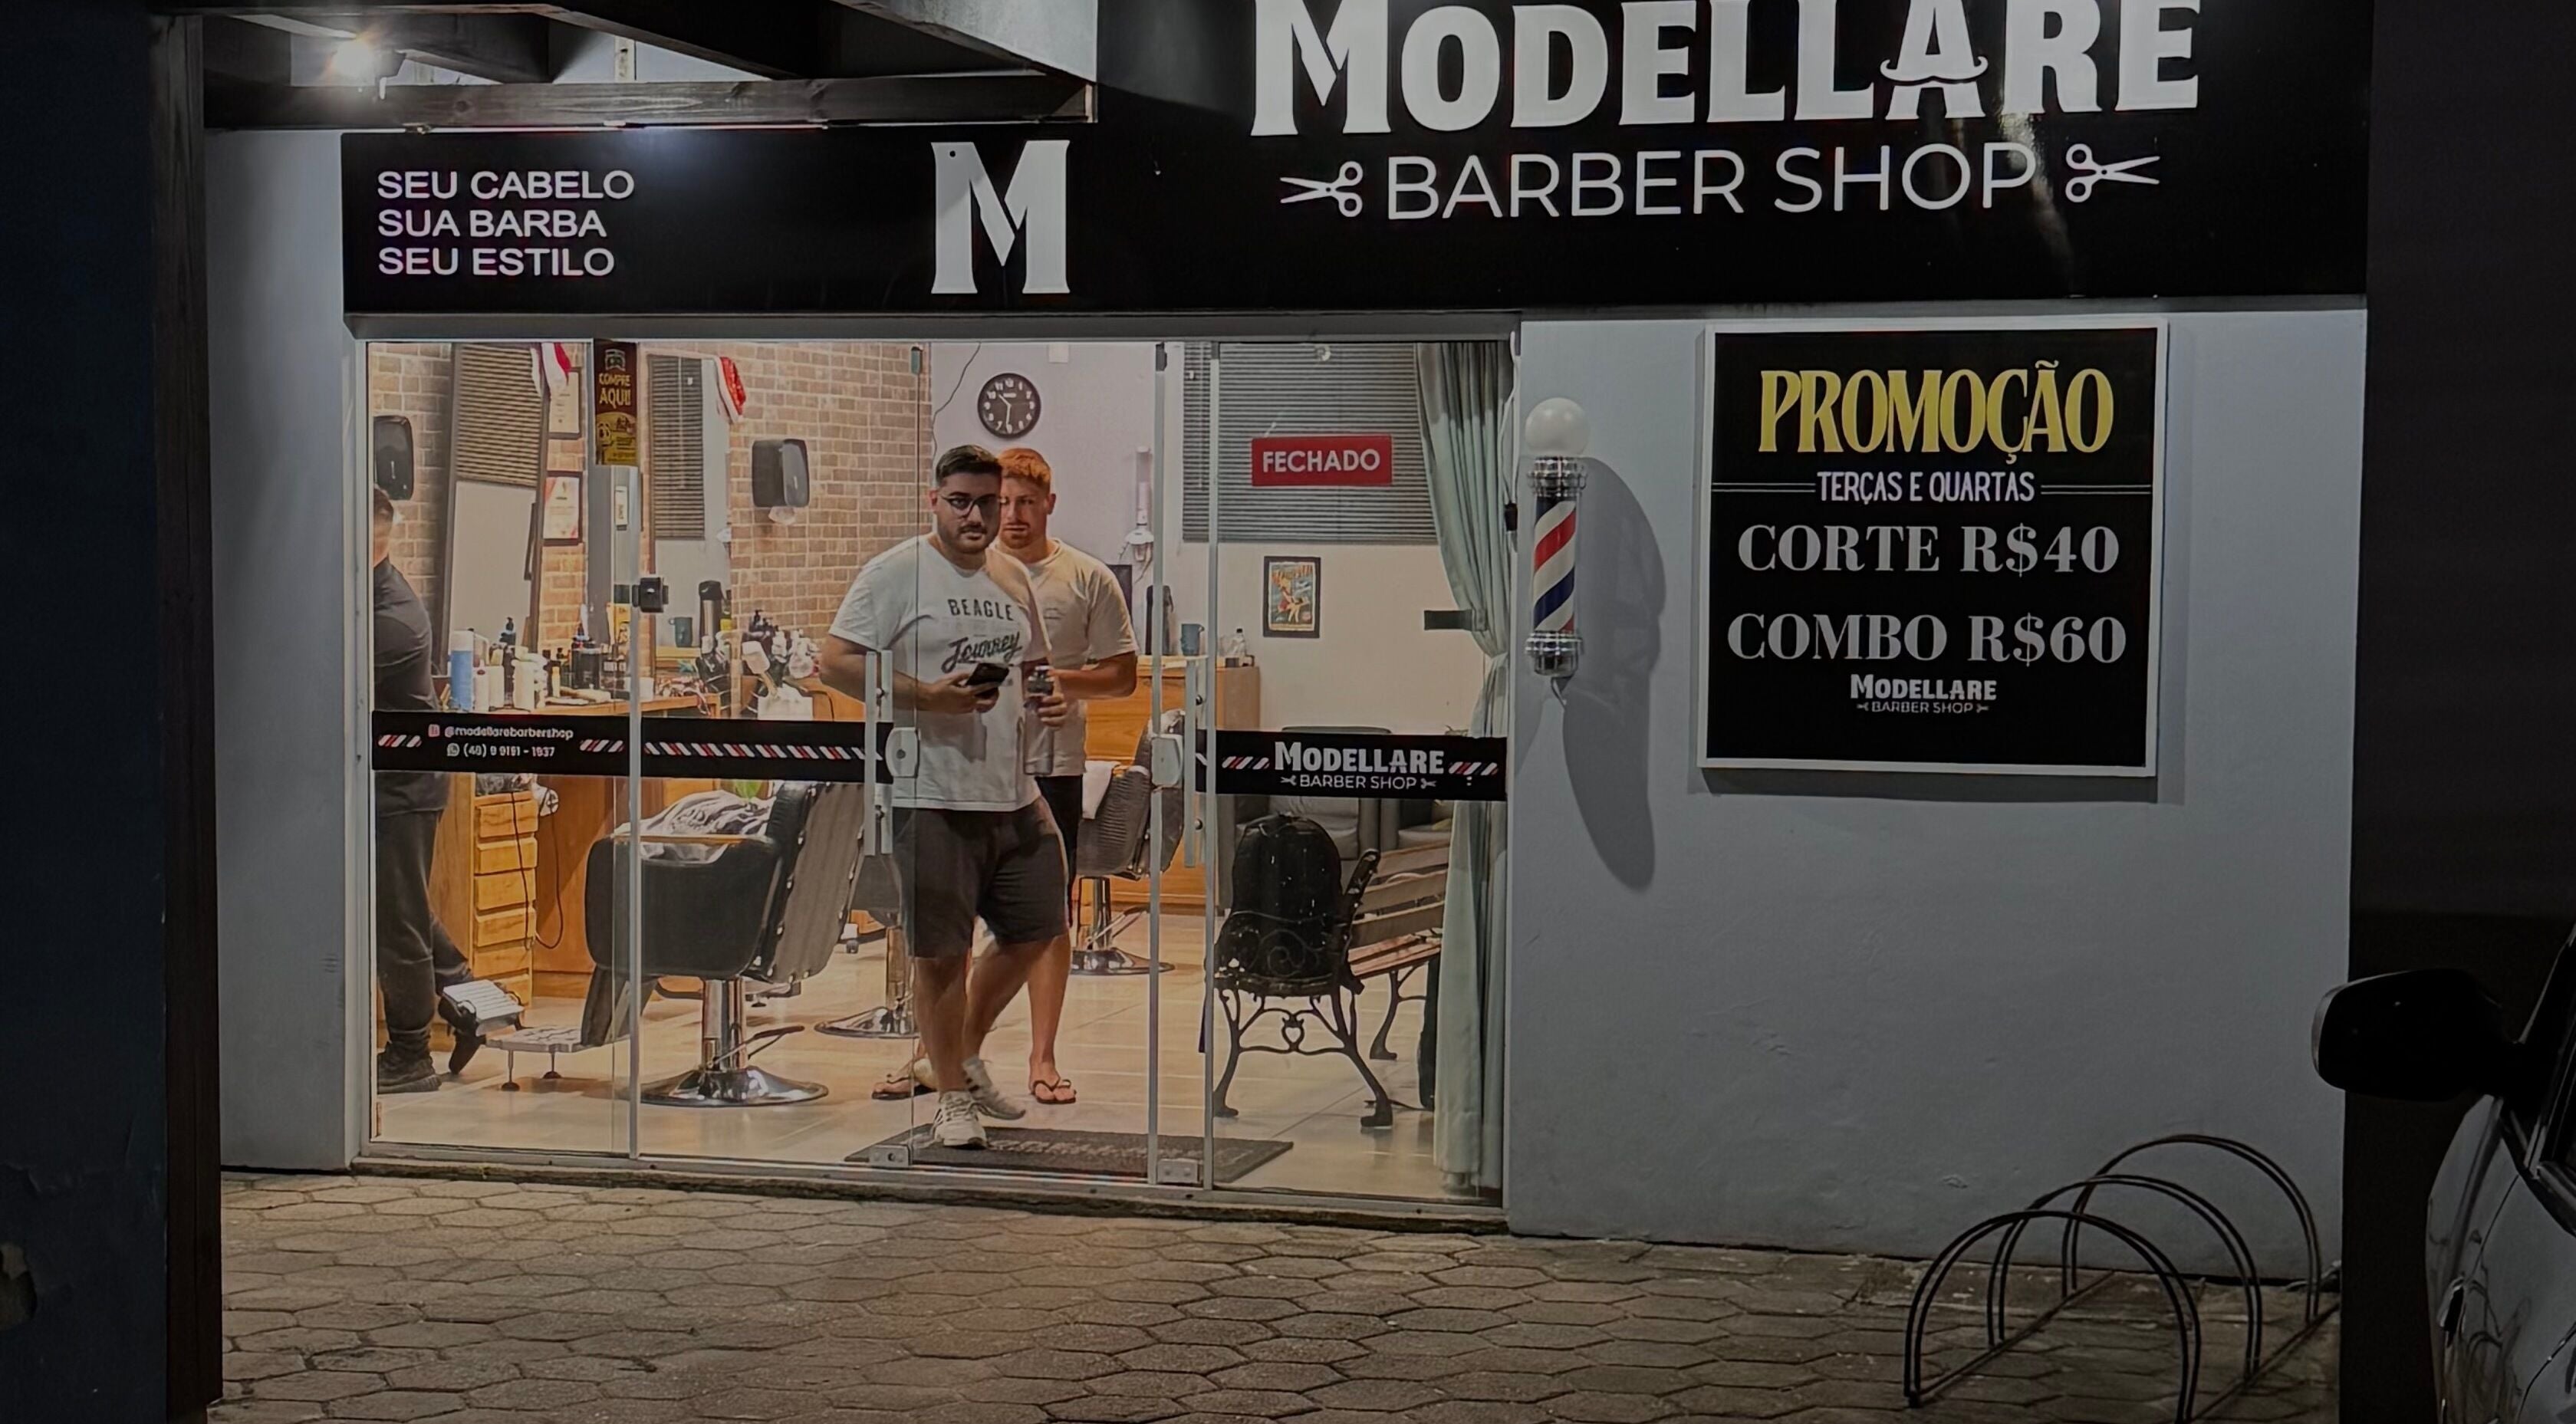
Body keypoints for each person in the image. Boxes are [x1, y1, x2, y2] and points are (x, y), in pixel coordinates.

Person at [819, 445, 1072, 1149]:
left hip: (1011, 789)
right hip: (929, 790)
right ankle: (952, 1100)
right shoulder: (897, 574)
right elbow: (835, 661)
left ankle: (951, 1057)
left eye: (987, 503)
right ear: (935, 501)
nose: (976, 516)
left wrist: (1048, 699)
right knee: (940, 953)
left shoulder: (1012, 576)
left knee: (1035, 928)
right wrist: (925, 695)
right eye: (960, 501)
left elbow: (1035, 663)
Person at [996, 446, 1138, 1106]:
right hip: (974, 768)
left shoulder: (1085, 577)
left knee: (1049, 918)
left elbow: (1122, 673)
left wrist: (1065, 683)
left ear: (1049, 503)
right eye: (1001, 502)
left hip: (1051, 768)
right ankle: (931, 1052)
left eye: (1025, 502)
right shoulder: (966, 576)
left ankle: (1042, 1055)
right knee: (950, 921)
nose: (1012, 515)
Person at [372, 487, 475, 1094]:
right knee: (397, 904)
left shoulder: (394, 617)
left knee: (397, 919)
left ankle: (411, 1052)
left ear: (373, 535)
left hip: (405, 787)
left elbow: (323, 673)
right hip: (381, 780)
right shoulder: (367, 598)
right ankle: (465, 997)